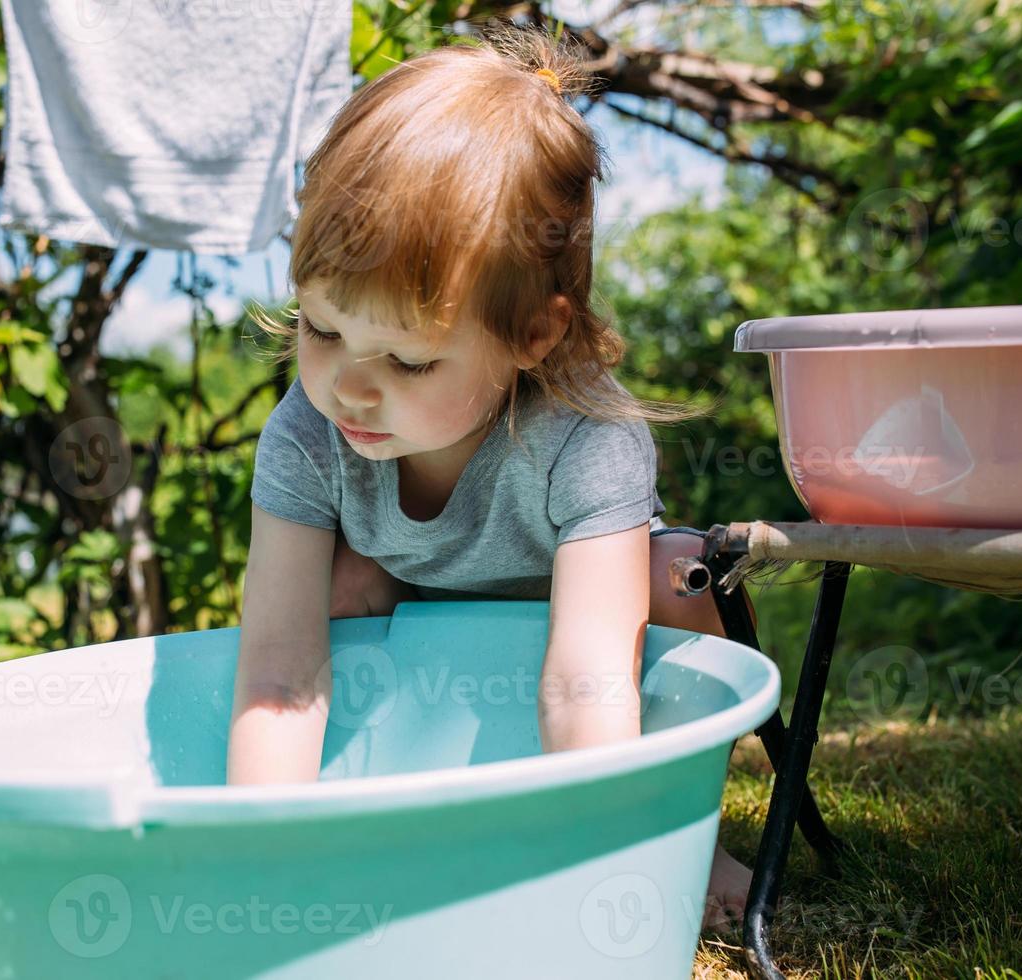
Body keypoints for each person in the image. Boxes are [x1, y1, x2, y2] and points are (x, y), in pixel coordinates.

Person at [226, 21, 760, 934]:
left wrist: (609, 870)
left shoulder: (584, 440)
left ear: (534, 337)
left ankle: (677, 830)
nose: (347, 384)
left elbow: (587, 681)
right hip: (432, 639)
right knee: (341, 585)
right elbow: (278, 668)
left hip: (588, 633)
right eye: (321, 330)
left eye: (409, 361)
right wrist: (263, 852)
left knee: (678, 584)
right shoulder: (306, 436)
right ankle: (393, 796)